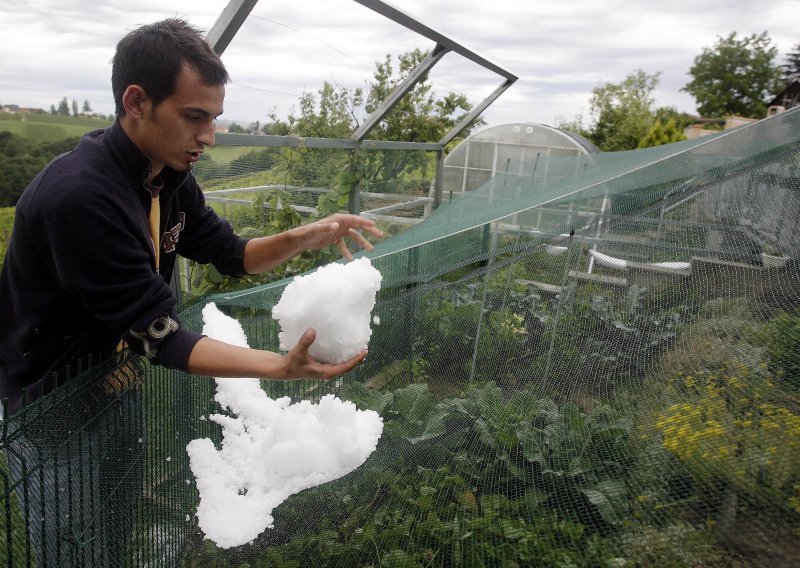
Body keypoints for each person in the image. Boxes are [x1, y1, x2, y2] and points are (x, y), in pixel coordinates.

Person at [0, 17, 382, 565]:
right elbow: (161, 337)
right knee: (72, 548)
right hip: (52, 409)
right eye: (193, 117)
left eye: (215, 118)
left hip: (114, 381)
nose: (208, 137)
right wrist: (280, 366)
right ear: (136, 101)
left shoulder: (167, 178)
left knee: (113, 524)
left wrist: (309, 234)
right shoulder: (82, 198)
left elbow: (231, 253)